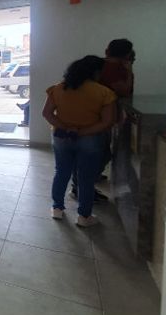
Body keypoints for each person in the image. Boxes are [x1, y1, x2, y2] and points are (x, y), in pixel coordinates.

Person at [43, 55, 117, 227]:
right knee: (86, 178)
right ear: (96, 72)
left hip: (62, 137)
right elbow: (107, 121)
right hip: (90, 138)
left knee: (61, 172)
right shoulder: (104, 93)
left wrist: (66, 128)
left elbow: (47, 113)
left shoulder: (58, 88)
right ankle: (84, 216)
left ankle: (57, 208)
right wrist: (82, 132)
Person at [71, 38, 136, 199]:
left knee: (87, 153)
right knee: (101, 153)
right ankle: (82, 186)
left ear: (107, 50)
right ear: (127, 55)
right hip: (101, 118)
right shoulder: (117, 68)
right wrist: (129, 71)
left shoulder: (95, 64)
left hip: (86, 114)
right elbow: (125, 91)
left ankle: (81, 183)